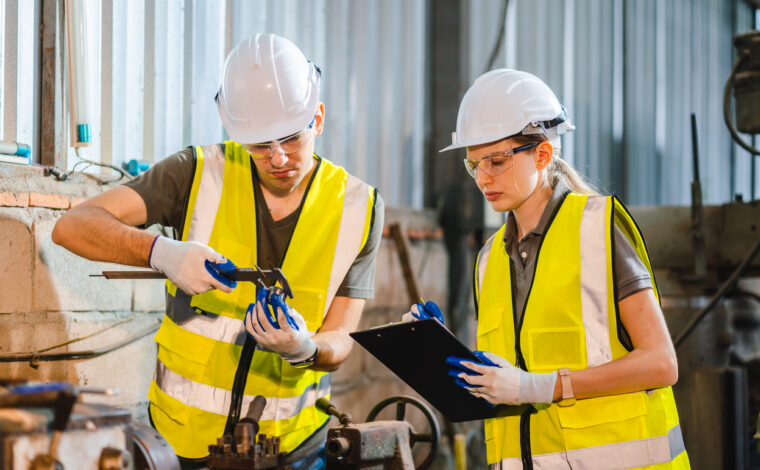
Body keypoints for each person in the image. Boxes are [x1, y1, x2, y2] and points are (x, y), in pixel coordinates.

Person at [52, 33, 384, 469]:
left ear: (317, 119)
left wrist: (304, 348)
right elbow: (72, 226)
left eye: (290, 138)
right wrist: (161, 252)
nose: (277, 158)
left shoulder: (359, 207)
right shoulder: (196, 172)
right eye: (259, 144)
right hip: (180, 445)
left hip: (294, 451)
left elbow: (341, 339)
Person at [411, 69, 690, 469]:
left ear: (542, 155)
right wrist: (437, 350)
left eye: (496, 161)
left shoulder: (597, 229)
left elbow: (660, 363)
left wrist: (543, 387)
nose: (483, 178)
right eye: (474, 165)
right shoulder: (490, 258)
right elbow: (512, 375)